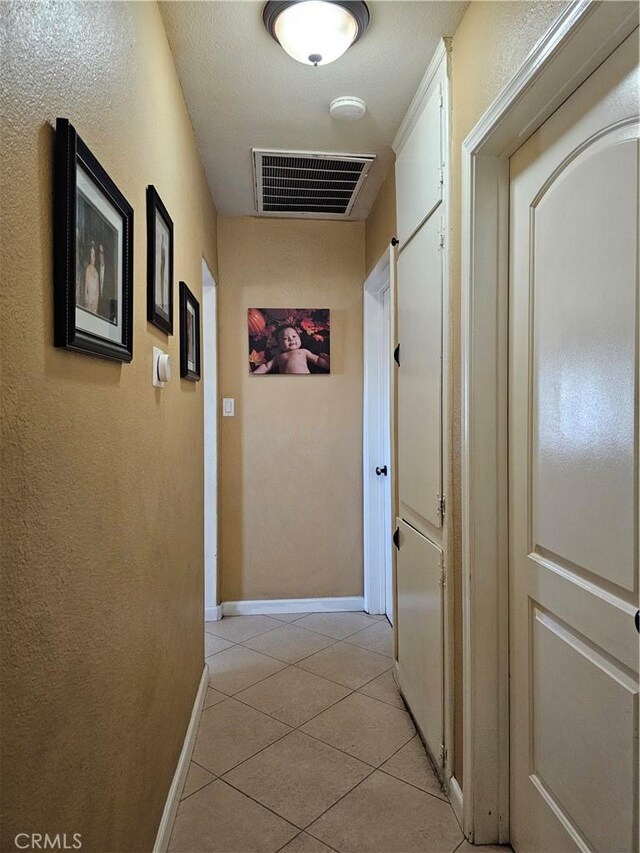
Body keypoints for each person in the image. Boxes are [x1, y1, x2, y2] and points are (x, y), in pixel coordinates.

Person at [252, 325, 329, 374]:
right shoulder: (279, 356)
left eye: (294, 336)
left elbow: (317, 360)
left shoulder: (303, 351)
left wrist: (328, 364)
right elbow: (266, 366)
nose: (290, 339)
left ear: (300, 339)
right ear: (279, 345)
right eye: (285, 338)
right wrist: (255, 374)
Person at [83, 242, 99, 314]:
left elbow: (97, 290)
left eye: (94, 255)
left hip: (95, 302)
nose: (93, 258)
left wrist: (96, 302)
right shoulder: (88, 269)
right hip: (89, 300)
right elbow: (85, 287)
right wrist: (88, 300)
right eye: (92, 255)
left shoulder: (96, 272)